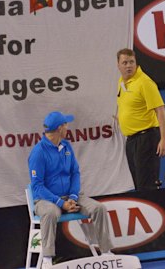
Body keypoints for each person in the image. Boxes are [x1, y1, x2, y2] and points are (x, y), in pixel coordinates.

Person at [29, 111, 116, 269]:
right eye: (66, 124)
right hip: (46, 199)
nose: (68, 127)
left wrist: (73, 197)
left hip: (71, 196)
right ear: (60, 128)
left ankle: (106, 252)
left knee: (99, 208)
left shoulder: (66, 145)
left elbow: (75, 172)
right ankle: (47, 259)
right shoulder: (38, 153)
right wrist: (61, 203)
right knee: (50, 213)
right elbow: (37, 186)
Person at [115, 48, 165, 191]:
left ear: (136, 63)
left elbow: (161, 110)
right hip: (131, 141)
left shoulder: (144, 82)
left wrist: (164, 139)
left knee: (148, 187)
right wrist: (122, 118)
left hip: (147, 138)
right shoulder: (122, 81)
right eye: (125, 62)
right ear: (118, 65)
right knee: (139, 186)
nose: (128, 66)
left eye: (131, 62)